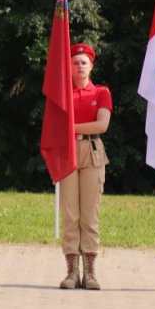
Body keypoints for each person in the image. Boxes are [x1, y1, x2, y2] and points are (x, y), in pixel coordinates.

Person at [58, 43, 112, 290]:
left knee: (90, 214)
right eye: (75, 62)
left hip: (92, 150)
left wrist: (69, 128)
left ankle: (90, 271)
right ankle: (72, 271)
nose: (79, 66)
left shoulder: (101, 92)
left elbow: (101, 125)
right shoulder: (61, 92)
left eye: (84, 62)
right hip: (66, 152)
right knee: (70, 214)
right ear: (68, 66)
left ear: (91, 65)